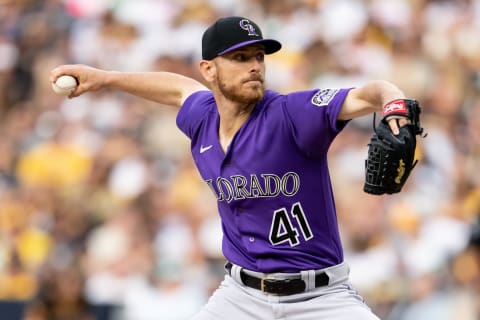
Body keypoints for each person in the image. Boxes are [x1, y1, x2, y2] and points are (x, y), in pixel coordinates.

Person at [50, 16, 412, 320]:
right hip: (241, 297)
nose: (254, 66)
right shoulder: (202, 118)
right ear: (209, 69)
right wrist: (105, 78)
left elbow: (369, 93)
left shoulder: (292, 114)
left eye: (258, 56)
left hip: (319, 298)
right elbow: (178, 89)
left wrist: (394, 105)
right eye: (239, 58)